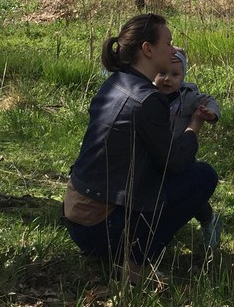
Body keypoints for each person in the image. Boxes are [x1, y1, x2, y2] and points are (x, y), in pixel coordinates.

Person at [64, 14, 219, 277]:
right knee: (203, 176)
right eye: (168, 43)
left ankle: (127, 249)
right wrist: (194, 127)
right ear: (147, 49)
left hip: (75, 219)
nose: (173, 50)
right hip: (101, 229)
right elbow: (175, 162)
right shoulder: (147, 100)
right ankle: (134, 259)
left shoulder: (115, 81)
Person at [153, 49, 221, 249]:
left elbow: (209, 100)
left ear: (183, 77)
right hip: (155, 153)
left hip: (182, 154)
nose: (167, 79)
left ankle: (209, 220)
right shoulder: (147, 93)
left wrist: (210, 114)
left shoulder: (188, 95)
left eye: (175, 75)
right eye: (162, 73)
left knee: (191, 194)